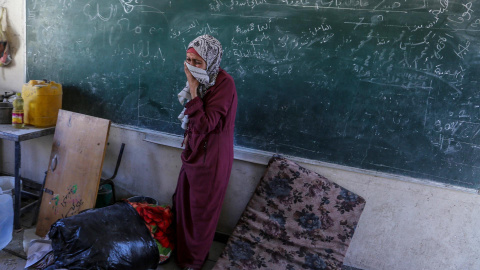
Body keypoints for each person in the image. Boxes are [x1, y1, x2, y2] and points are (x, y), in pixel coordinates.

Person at [173, 35, 238, 270]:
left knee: (201, 214)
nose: (191, 67)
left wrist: (192, 88)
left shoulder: (224, 83)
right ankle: (181, 254)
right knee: (182, 204)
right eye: (188, 60)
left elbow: (205, 124)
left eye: (197, 62)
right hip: (194, 152)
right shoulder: (205, 80)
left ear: (211, 61)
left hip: (212, 158)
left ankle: (193, 262)